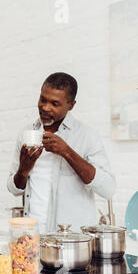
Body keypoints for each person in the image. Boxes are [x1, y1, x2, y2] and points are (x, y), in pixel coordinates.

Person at [7, 72, 116, 233]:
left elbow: (108, 189)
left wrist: (67, 152)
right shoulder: (27, 133)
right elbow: (14, 189)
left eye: (55, 103)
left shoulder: (87, 135)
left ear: (71, 105)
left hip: (72, 242)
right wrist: (23, 170)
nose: (45, 107)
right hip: (33, 236)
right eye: (42, 99)